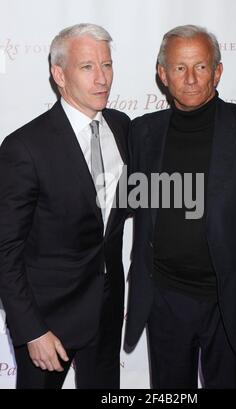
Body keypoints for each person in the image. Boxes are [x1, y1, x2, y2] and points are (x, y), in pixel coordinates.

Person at [125, 25, 236, 389]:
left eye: (201, 67)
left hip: (230, 301)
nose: (190, 79)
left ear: (217, 71)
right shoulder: (142, 132)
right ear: (162, 74)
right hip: (165, 299)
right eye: (178, 68)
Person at [0, 23, 130, 389]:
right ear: (59, 74)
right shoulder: (25, 147)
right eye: (88, 67)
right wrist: (32, 330)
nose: (102, 78)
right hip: (48, 318)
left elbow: (119, 208)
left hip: (107, 311)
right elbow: (5, 249)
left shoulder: (121, 127)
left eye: (107, 65)